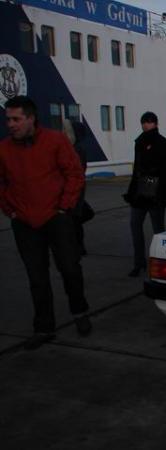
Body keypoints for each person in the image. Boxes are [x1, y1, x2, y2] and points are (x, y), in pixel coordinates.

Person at [0, 96, 91, 349]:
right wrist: (10, 210)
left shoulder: (55, 141)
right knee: (36, 276)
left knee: (70, 268)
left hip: (56, 218)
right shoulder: (4, 149)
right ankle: (43, 327)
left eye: (16, 119)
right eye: (8, 119)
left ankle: (80, 312)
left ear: (31, 118)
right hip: (24, 222)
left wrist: (64, 207)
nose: (11, 124)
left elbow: (74, 174)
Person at [124, 112, 166, 277]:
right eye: (144, 122)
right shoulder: (139, 141)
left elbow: (163, 170)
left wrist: (155, 188)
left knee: (158, 229)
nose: (145, 125)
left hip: (155, 191)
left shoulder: (162, 142)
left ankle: (163, 263)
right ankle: (139, 263)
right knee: (135, 225)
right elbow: (136, 168)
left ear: (155, 124)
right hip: (140, 191)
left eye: (149, 122)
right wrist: (132, 190)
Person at [64, 119, 92, 255]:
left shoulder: (77, 150)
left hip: (75, 190)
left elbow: (76, 172)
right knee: (75, 219)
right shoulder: (75, 149)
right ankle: (78, 247)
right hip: (76, 189)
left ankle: (78, 248)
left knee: (74, 219)